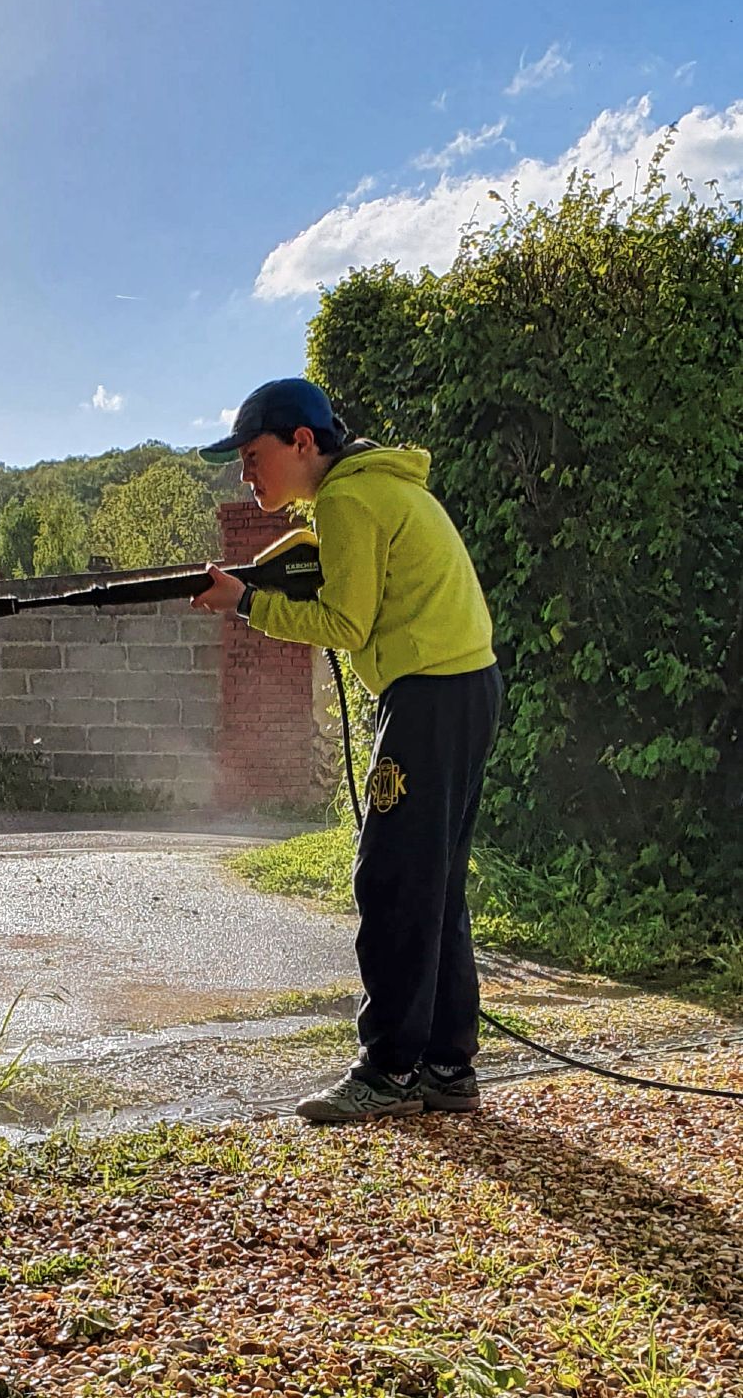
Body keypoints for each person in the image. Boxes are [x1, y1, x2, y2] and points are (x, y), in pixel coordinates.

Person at [192, 377, 502, 1124]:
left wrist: (246, 603)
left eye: (253, 453)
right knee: (435, 881)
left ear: (304, 442)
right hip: (463, 687)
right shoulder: (375, 488)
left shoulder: (349, 499)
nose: (245, 472)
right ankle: (446, 1066)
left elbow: (345, 625)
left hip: (429, 694)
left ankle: (388, 1069)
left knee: (393, 877)